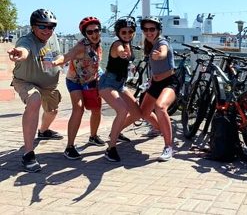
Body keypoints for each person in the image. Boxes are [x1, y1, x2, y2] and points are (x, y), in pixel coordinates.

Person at [7, 9, 63, 172]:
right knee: (34, 100)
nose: (47, 30)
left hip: (49, 85)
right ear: (33, 27)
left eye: (51, 26)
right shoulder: (26, 40)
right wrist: (19, 54)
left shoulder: (53, 38)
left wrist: (61, 61)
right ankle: (28, 154)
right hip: (26, 81)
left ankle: (44, 131)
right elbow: (24, 51)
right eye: (42, 26)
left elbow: (56, 56)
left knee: (52, 112)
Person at [98, 17, 157, 162]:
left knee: (137, 114)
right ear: (118, 32)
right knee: (122, 110)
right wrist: (122, 53)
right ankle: (110, 148)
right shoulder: (118, 44)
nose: (127, 34)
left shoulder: (128, 43)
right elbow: (119, 50)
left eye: (130, 31)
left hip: (121, 84)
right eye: (124, 32)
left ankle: (116, 133)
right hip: (108, 84)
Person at [52, 17, 105, 160]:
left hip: (91, 82)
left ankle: (93, 136)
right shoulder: (81, 46)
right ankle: (69, 147)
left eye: (97, 30)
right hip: (74, 81)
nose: (94, 34)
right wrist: (56, 62)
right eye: (90, 32)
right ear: (85, 34)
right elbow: (67, 56)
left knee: (96, 109)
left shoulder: (98, 45)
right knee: (78, 108)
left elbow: (95, 63)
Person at [139, 16, 177, 161]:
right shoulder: (149, 43)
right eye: (146, 29)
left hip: (170, 82)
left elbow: (163, 52)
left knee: (160, 107)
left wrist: (160, 56)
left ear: (158, 30)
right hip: (155, 83)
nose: (149, 32)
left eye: (152, 29)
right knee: (144, 112)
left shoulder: (161, 41)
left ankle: (168, 146)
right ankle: (158, 128)